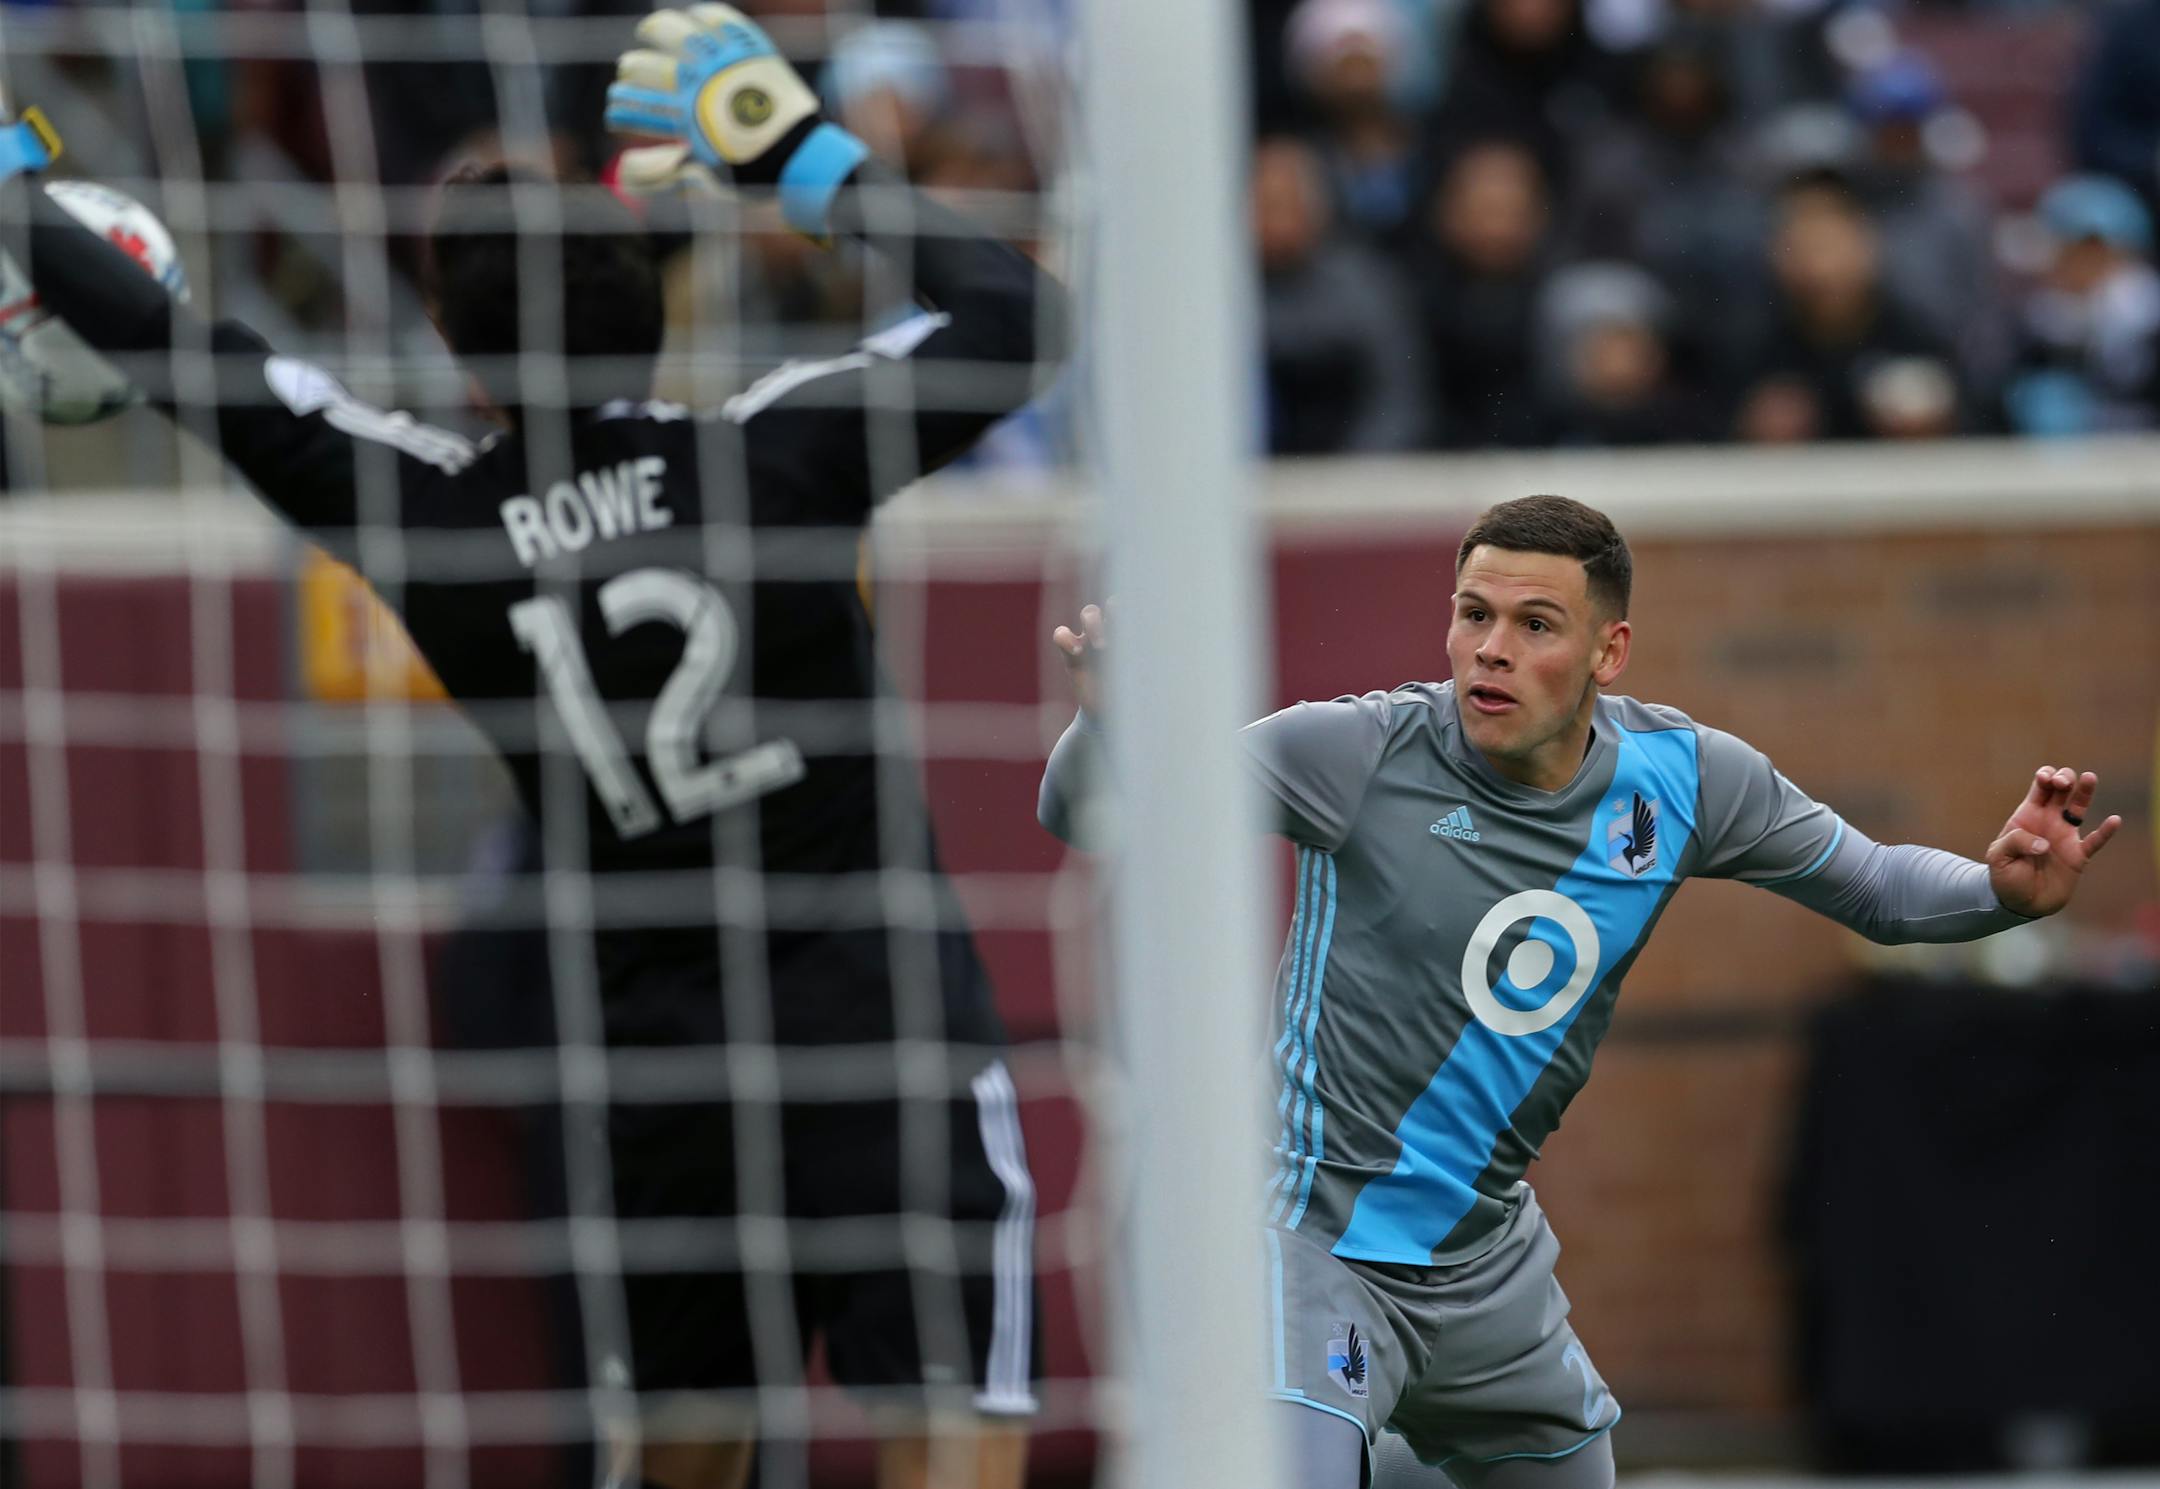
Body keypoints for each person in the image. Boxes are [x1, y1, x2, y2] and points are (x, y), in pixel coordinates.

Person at [0, 9, 1066, 1488]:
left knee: (682, 1460)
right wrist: (799, 153)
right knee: (952, 1447)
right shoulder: (775, 455)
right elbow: (1013, 317)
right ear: (651, 292)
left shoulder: (432, 523)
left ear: (451, 343)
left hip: (656, 1080)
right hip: (882, 1040)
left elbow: (198, 362)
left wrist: (11, 177)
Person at [1036, 495, 2121, 1488]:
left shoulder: (1688, 780)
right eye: (1472, 614)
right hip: (1309, 1241)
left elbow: (1879, 884)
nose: (1491, 651)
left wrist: (1999, 892)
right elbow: (1092, 812)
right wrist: (1106, 725)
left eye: (1536, 624)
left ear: (1611, 649)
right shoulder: (1355, 753)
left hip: (1484, 1266)